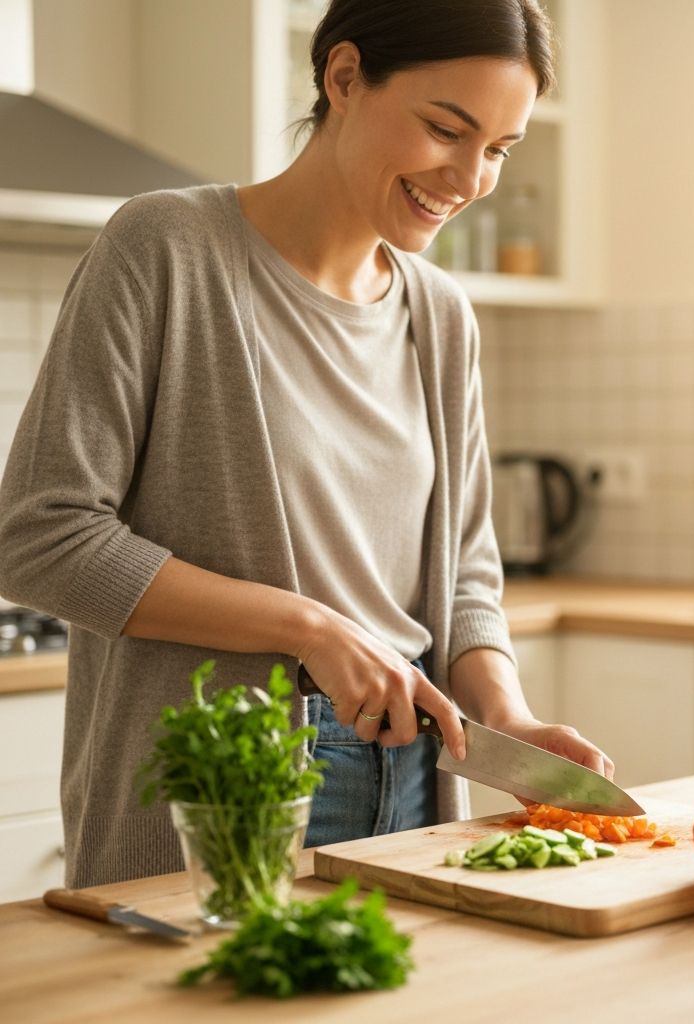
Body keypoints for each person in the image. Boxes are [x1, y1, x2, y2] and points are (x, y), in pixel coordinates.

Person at [0, 0, 614, 889]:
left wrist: (507, 717)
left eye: (499, 150)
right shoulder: (167, 248)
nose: (470, 177)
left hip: (416, 768)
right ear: (345, 77)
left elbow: (466, 571)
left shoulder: (441, 314)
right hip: (231, 781)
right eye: (447, 130)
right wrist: (310, 628)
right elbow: (38, 536)